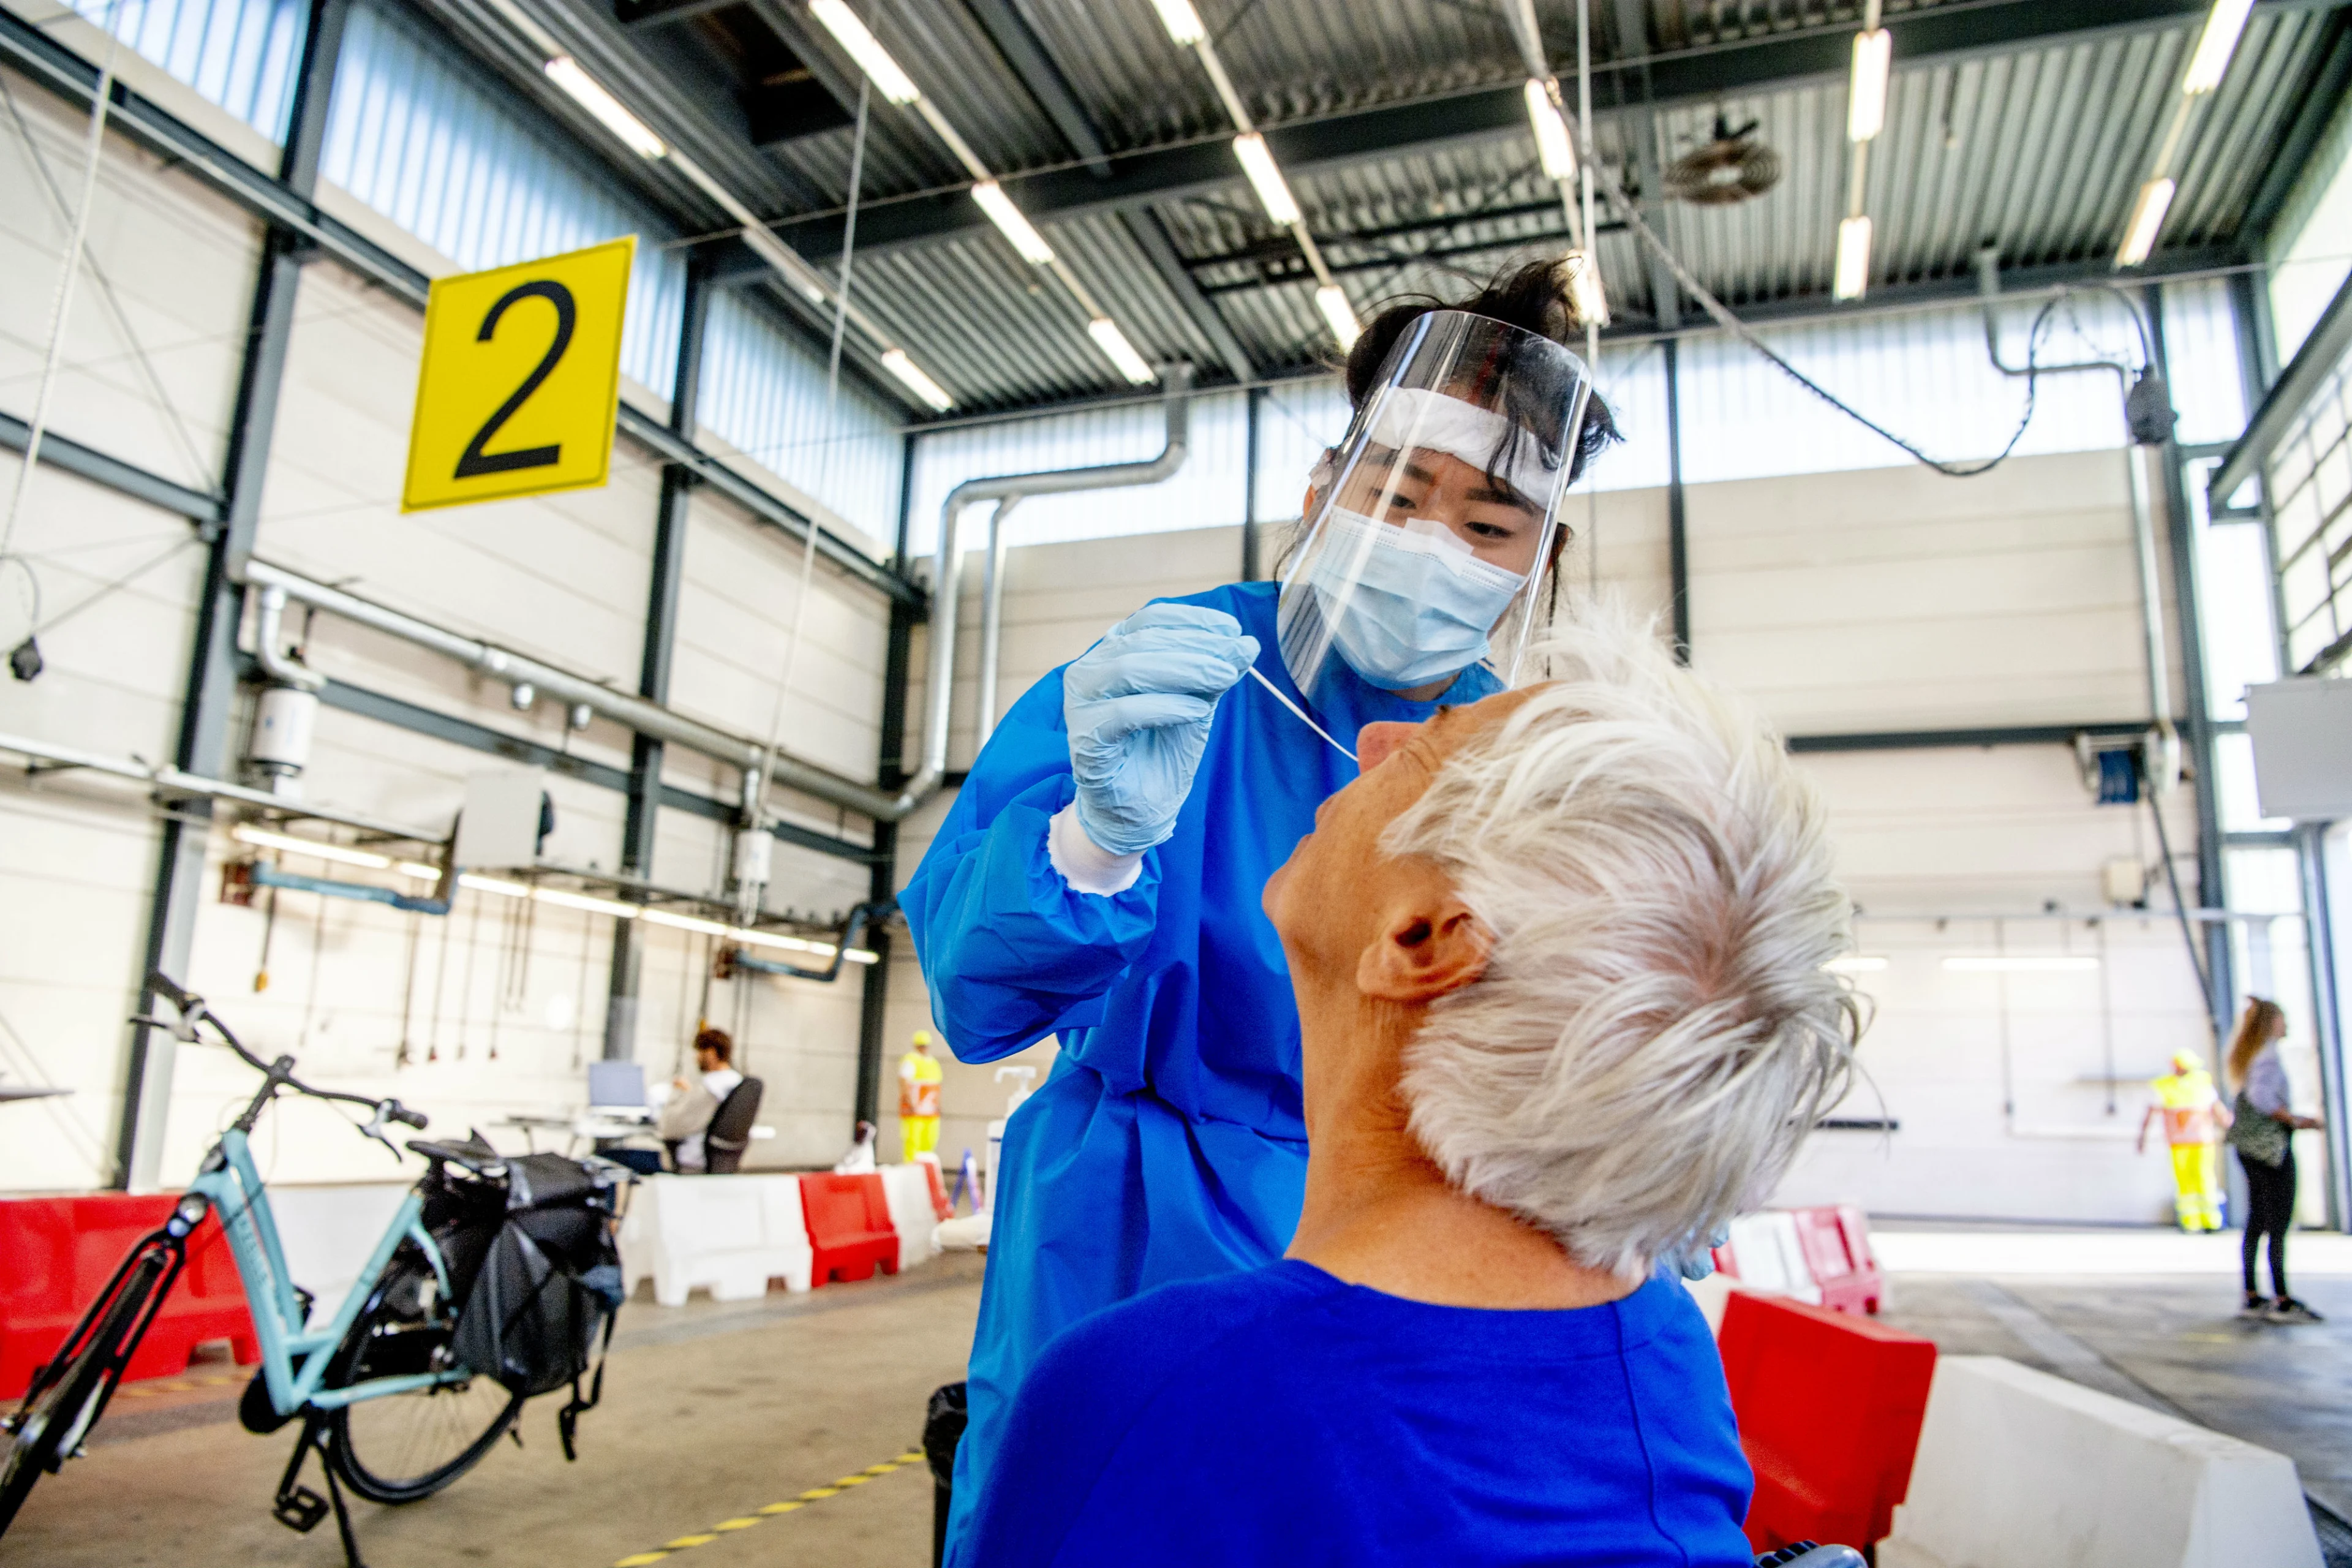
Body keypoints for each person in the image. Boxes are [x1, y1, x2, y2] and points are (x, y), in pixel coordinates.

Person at [905, 259, 1621, 1553]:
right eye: (1396, 491)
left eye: (1488, 523)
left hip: (1404, 1253)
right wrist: (1097, 839)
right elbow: (975, 992)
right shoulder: (1162, 680)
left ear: (1537, 560)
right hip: (1117, 1235)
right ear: (1322, 487)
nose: (1428, 544)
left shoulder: (1522, 759)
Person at [959, 603, 1859, 1566]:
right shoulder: (1663, 1347)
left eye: (1424, 748)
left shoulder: (1151, 1391)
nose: (1372, 735)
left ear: (1422, 940)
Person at [2225, 998, 2326, 1322]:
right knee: (2278, 1221)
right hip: (2269, 1149)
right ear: (2270, 1023)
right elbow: (2262, 1098)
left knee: (2258, 1219)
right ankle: (2281, 1298)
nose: (2287, 1025)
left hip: (2250, 1148)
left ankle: (2252, 1295)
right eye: (2282, 1019)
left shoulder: (2250, 1055)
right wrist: (2296, 1120)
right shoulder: (2267, 1057)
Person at [2137, 1047, 2230, 1232]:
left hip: (2201, 1142)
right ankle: (2191, 1222)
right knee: (2186, 1182)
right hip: (2180, 1143)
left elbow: (2218, 1110)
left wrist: (2231, 1126)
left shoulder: (2201, 1083)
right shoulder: (2165, 1086)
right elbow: (2151, 1112)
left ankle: (2210, 1220)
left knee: (2204, 1178)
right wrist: (2142, 1137)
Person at [656, 1027, 742, 1173]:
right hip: (723, 1162)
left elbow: (671, 1127)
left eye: (699, 1052)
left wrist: (676, 1094)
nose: (695, 1058)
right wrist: (691, 1092)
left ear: (711, 1053)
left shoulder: (710, 1087)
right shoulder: (737, 1083)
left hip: (694, 1161)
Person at [900, 1030, 944, 1163]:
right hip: (915, 1109)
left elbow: (936, 1086)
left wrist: (938, 1105)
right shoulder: (911, 1060)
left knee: (930, 1139)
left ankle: (926, 1168)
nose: (923, 1048)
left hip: (930, 1109)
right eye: (921, 1045)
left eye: (925, 1045)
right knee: (913, 1139)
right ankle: (911, 1168)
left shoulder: (933, 1063)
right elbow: (904, 1082)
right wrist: (910, 1102)